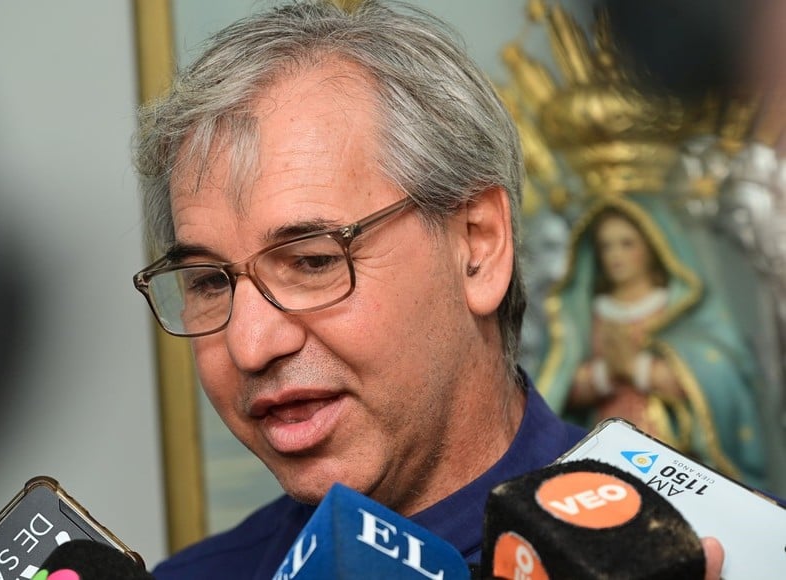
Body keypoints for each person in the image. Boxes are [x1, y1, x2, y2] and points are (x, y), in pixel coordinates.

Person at [132, 1, 724, 577]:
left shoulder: (729, 547)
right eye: (209, 280)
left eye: (312, 262)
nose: (250, 345)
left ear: (478, 246)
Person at [536, 197, 767, 488]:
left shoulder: (680, 307)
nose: (615, 255)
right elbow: (559, 386)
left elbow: (717, 373)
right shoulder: (583, 313)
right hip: (605, 444)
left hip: (675, 451)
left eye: (627, 243)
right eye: (606, 246)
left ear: (654, 246)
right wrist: (606, 374)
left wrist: (639, 369)